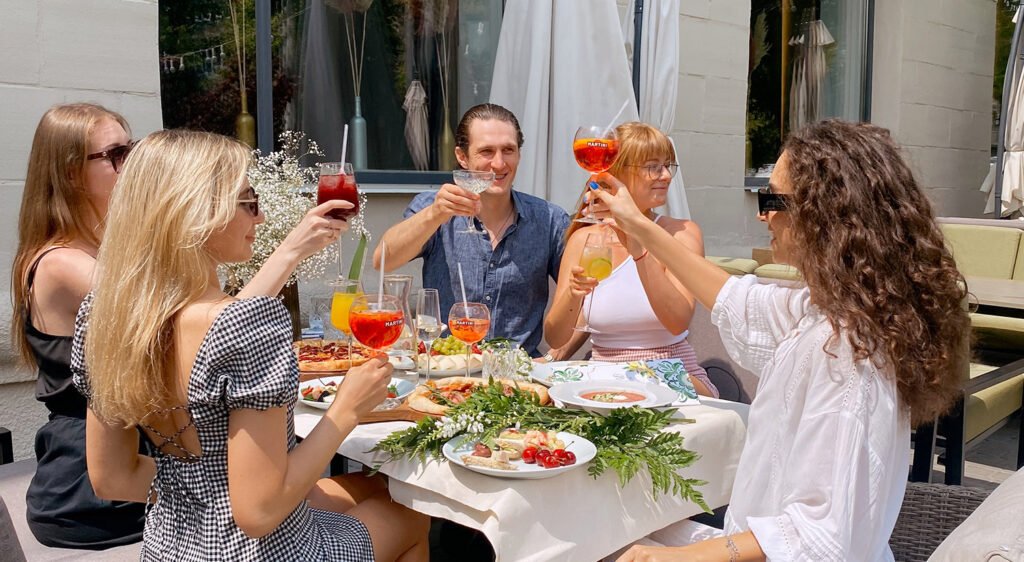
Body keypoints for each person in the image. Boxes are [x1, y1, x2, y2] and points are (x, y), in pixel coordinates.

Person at [594, 120, 969, 561]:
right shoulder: (829, 309)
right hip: (765, 543)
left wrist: (672, 556)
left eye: (773, 198)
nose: (762, 213)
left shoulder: (847, 351)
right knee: (606, 529)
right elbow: (735, 299)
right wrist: (640, 228)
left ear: (823, 213)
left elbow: (818, 537)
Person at [70, 129, 430, 560]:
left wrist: (213, 487)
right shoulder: (247, 325)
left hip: (172, 546)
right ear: (196, 215)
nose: (258, 218)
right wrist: (346, 409)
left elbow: (111, 478)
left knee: (369, 486)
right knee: (412, 514)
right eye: (248, 201)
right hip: (270, 550)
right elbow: (258, 513)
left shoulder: (106, 317)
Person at [10, 103, 356, 549]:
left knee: (318, 495)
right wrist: (288, 254)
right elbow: (214, 331)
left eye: (133, 148)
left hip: (161, 478)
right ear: (71, 172)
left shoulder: (110, 283)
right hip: (96, 491)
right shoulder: (76, 273)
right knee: (350, 502)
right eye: (117, 153)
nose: (134, 161)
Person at [373, 103, 569, 357]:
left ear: (519, 154)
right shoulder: (435, 207)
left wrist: (555, 357)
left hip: (518, 378)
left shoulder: (550, 219)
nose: (499, 163)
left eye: (508, 150)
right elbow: (383, 260)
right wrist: (435, 215)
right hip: (447, 371)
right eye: (486, 151)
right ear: (462, 157)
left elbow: (584, 299)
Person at [544, 122, 717, 397]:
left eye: (667, 165)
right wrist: (574, 295)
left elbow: (677, 321)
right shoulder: (583, 239)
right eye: (652, 166)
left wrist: (635, 241)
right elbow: (554, 337)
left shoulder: (682, 233)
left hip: (671, 375)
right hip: (603, 381)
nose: (666, 176)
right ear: (615, 173)